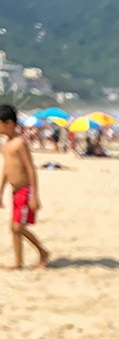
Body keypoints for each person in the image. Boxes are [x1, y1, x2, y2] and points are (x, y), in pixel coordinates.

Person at [0, 104, 49, 268]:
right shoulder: (6, 145)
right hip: (15, 192)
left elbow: (30, 168)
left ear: (9, 123)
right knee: (14, 229)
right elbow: (6, 169)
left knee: (17, 227)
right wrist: (1, 190)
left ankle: (42, 252)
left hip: (25, 190)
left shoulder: (20, 142)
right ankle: (18, 262)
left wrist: (35, 195)